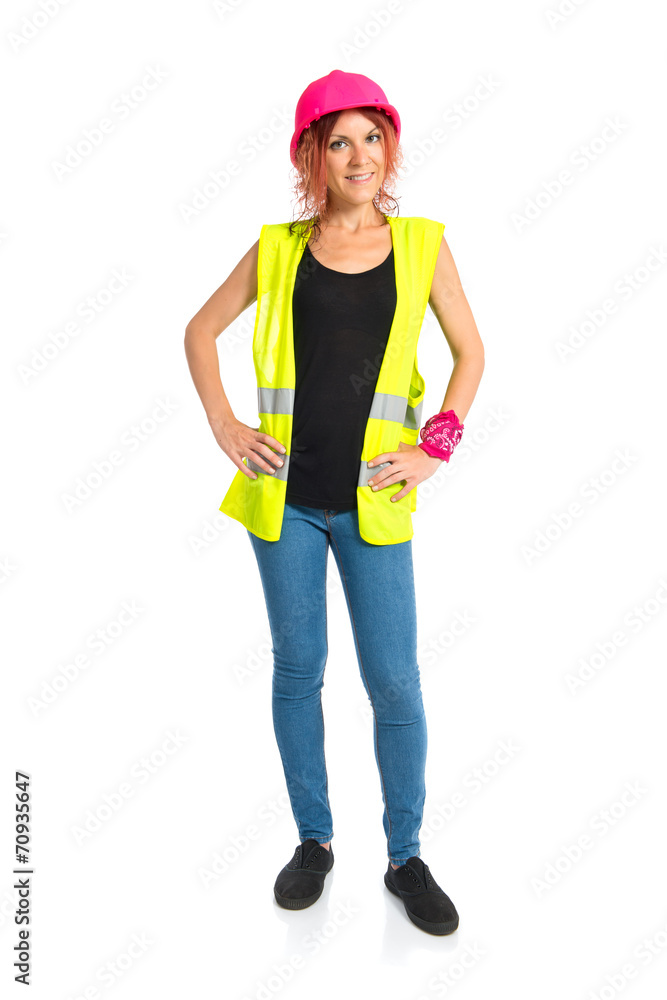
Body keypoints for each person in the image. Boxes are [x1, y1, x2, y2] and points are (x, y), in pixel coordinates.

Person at [184, 69, 485, 936]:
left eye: (372, 137)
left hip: (372, 501)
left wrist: (433, 450)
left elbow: (471, 354)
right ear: (310, 157)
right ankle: (314, 841)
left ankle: (404, 856)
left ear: (390, 147)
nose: (359, 156)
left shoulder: (422, 244)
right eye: (338, 141)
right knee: (297, 669)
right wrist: (224, 424)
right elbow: (200, 329)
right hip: (283, 499)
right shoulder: (278, 247)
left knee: (393, 680)